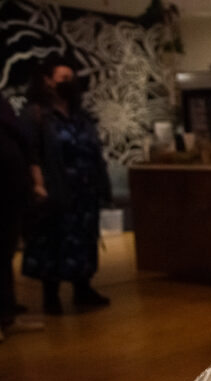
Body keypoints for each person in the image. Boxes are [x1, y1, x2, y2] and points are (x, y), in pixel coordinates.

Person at [19, 55, 111, 315]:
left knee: (84, 237)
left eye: (71, 78)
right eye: (63, 78)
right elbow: (31, 153)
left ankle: (83, 287)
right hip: (56, 189)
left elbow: (94, 150)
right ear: (48, 81)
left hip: (85, 189)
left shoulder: (81, 117)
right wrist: (38, 185)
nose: (69, 83)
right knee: (53, 239)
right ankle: (51, 294)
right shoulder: (37, 115)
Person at [0, 93, 33, 333]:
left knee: (5, 249)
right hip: (10, 183)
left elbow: (22, 139)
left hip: (11, 185)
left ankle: (6, 307)